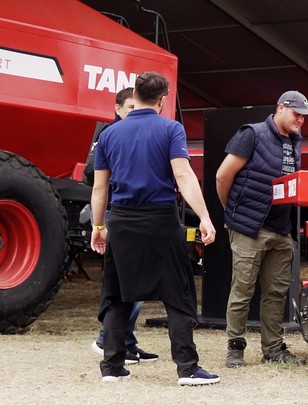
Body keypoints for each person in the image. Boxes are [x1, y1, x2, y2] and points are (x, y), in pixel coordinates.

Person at [90, 71, 219, 385]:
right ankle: (187, 369)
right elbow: (184, 176)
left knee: (117, 295)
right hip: (160, 220)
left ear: (134, 94)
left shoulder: (109, 134)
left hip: (120, 220)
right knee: (177, 293)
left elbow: (99, 189)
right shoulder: (170, 129)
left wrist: (98, 226)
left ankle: (112, 368)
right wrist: (204, 216)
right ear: (163, 100)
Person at [216, 90, 308, 367]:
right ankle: (235, 347)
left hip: (282, 229)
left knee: (276, 292)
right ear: (281, 108)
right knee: (242, 290)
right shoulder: (252, 134)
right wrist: (232, 212)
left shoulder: (295, 142)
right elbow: (223, 175)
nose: (301, 120)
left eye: (305, 116)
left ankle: (273, 348)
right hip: (250, 226)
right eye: (297, 114)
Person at [87, 87, 158, 365]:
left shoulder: (139, 134)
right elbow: (97, 182)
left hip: (138, 217)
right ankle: (108, 340)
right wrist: (99, 223)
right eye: (129, 107)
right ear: (116, 109)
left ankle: (126, 341)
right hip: (121, 215)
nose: (134, 112)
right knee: (127, 284)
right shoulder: (109, 136)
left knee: (135, 284)